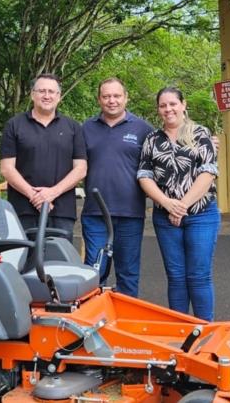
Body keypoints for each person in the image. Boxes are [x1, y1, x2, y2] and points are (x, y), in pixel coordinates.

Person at [137, 86, 220, 321]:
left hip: (201, 215)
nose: (168, 109)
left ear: (183, 105)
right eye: (163, 105)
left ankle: (204, 331)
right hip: (165, 218)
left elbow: (208, 172)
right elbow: (144, 175)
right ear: (158, 110)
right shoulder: (152, 139)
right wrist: (166, 203)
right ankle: (180, 331)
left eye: (173, 104)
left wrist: (181, 206)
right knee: (176, 275)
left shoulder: (201, 134)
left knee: (198, 275)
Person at [81, 78, 153, 297]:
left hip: (130, 214)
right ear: (99, 99)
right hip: (95, 214)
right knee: (94, 270)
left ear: (125, 97)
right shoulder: (86, 128)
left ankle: (125, 322)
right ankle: (89, 324)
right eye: (106, 96)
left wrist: (207, 140)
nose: (111, 101)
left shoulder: (143, 129)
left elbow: (168, 151)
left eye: (116, 96)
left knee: (128, 273)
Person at [0, 73, 87, 242]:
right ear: (33, 94)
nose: (47, 96)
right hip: (23, 210)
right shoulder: (14, 125)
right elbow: (6, 168)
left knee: (59, 263)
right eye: (41, 91)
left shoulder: (73, 127)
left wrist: (52, 194)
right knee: (24, 263)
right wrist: (35, 196)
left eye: (51, 92)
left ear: (59, 96)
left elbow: (81, 169)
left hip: (61, 211)